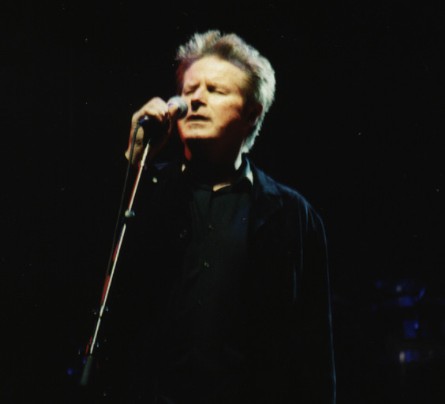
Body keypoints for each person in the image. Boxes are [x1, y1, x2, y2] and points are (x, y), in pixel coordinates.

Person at [89, 30, 336, 403]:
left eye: (216, 91)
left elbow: (313, 353)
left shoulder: (293, 216)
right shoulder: (146, 193)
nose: (196, 100)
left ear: (252, 114)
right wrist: (134, 162)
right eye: (189, 91)